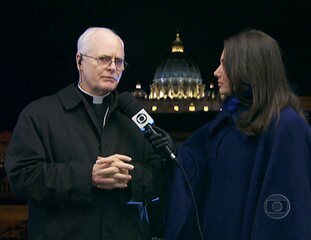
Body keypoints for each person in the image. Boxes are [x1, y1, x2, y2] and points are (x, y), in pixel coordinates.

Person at [5, 27, 167, 240]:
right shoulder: (39, 114)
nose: (113, 68)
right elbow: (21, 177)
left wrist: (129, 178)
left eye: (119, 61)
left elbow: (162, 174)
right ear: (79, 61)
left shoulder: (135, 117)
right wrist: (87, 177)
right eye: (103, 59)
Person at [165, 29, 311, 239]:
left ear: (246, 68)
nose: (216, 72)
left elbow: (286, 216)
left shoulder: (287, 127)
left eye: (224, 63)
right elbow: (192, 162)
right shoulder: (229, 121)